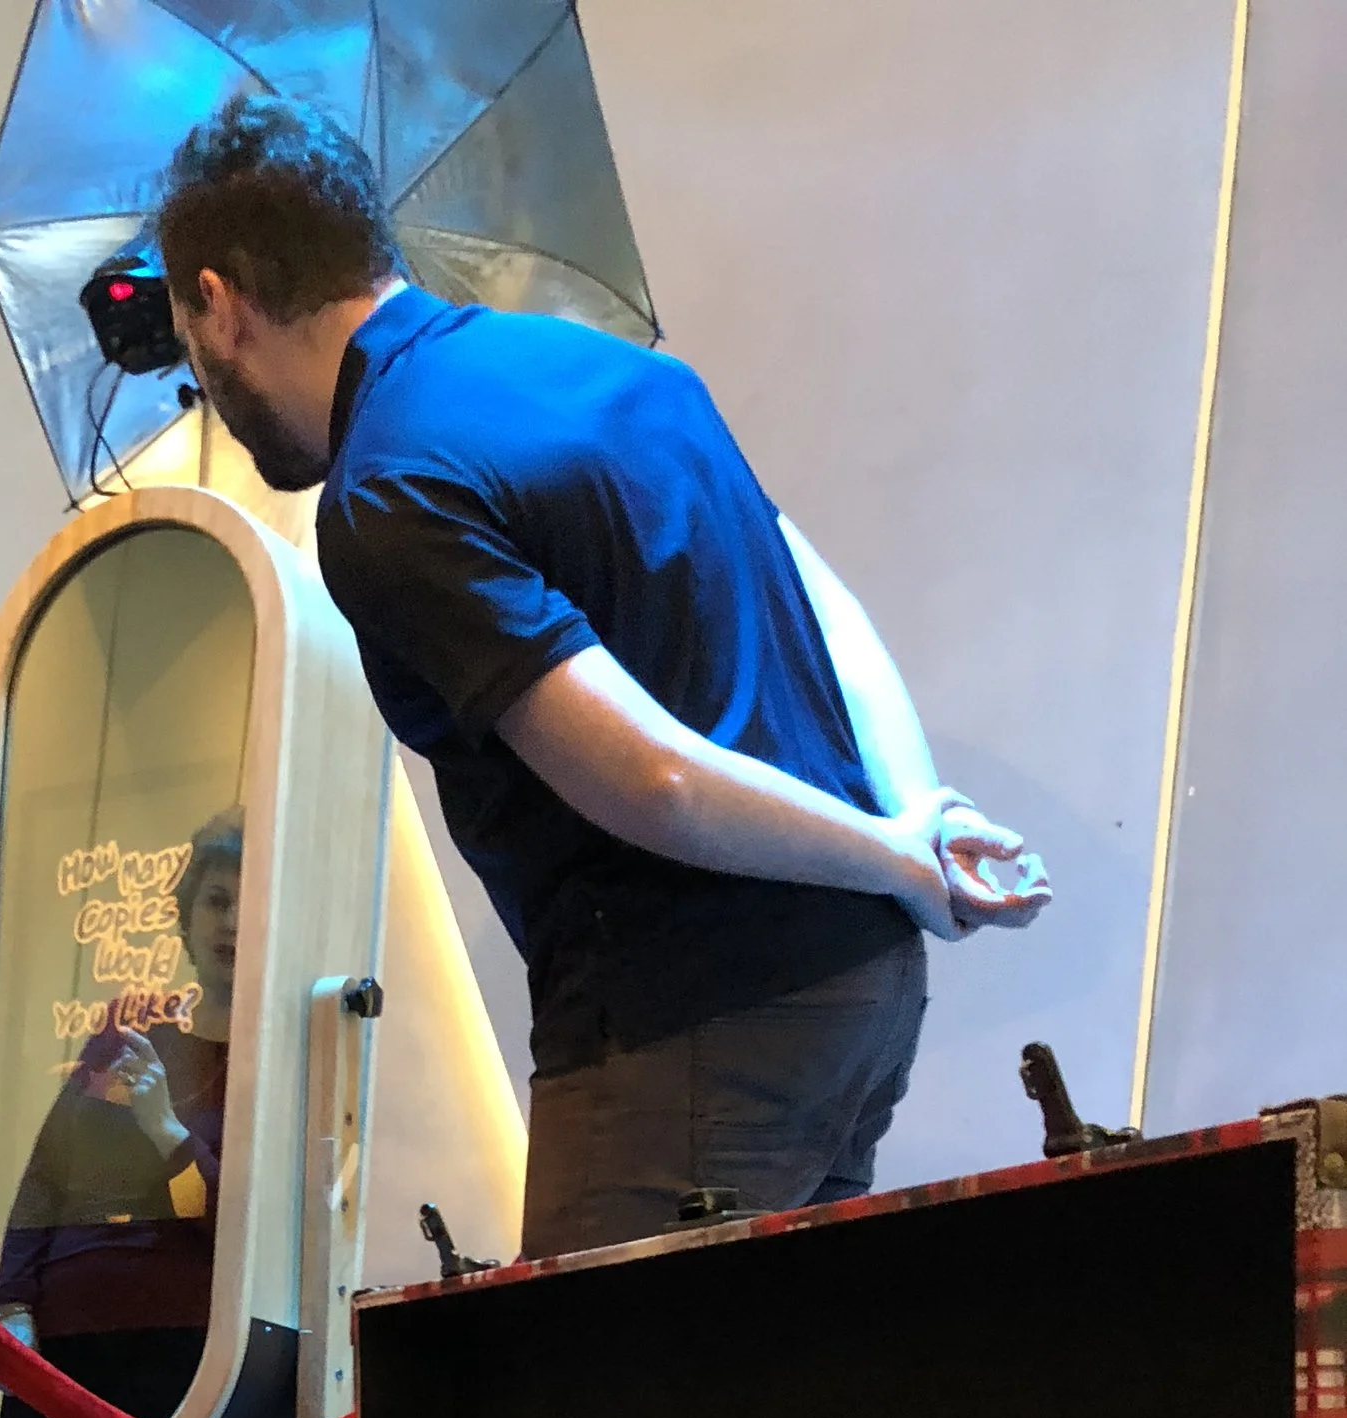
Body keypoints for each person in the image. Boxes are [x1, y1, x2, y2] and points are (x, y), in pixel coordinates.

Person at [153, 99, 1049, 1258]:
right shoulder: (621, 372)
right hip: (858, 991)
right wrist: (914, 814)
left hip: (684, 1023)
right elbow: (824, 597)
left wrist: (899, 853)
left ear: (218, 306)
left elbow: (650, 780)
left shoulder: (386, 490)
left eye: (185, 337)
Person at [0, 810, 240, 1418]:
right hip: (62, 1339)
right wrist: (11, 1302)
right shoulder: (125, 1032)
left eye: (252, 902)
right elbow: (46, 1176)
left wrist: (165, 1129)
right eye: (217, 900)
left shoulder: (274, 1062)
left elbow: (232, 1227)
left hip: (179, 1354)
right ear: (188, 915)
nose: (233, 922)